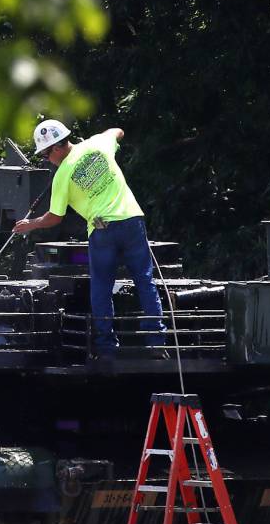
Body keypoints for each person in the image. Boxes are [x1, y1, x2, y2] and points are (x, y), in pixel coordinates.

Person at [13, 119, 167, 356]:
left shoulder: (62, 176)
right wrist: (104, 137)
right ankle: (156, 342)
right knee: (144, 280)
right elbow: (118, 131)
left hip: (102, 229)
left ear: (55, 148)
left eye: (45, 155)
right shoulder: (98, 143)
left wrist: (30, 225)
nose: (47, 161)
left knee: (101, 288)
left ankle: (106, 347)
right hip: (131, 221)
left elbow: (54, 217)